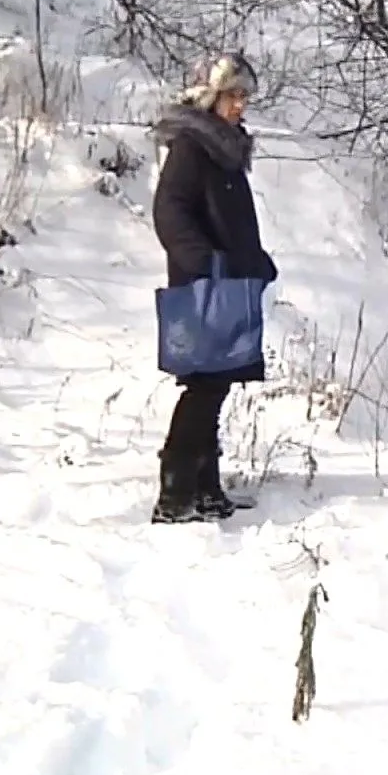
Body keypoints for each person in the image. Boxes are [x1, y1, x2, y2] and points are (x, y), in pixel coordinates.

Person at [150, 51, 278, 523]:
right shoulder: (192, 148)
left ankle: (204, 489)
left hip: (229, 283)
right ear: (210, 97)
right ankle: (175, 492)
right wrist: (206, 263)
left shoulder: (223, 149)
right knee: (205, 386)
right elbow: (170, 213)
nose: (240, 106)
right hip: (205, 287)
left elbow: (231, 221)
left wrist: (255, 263)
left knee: (215, 384)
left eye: (244, 97)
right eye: (232, 97)